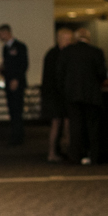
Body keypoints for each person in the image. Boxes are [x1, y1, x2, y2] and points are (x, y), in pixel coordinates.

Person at [57, 28, 108, 165]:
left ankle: (76, 155)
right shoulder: (96, 52)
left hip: (73, 96)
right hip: (92, 96)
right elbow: (102, 74)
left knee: (76, 127)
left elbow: (60, 75)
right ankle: (94, 156)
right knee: (92, 127)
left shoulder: (67, 52)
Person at [42, 28, 75, 162]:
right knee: (58, 124)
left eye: (70, 40)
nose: (68, 42)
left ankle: (64, 151)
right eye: (66, 39)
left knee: (64, 123)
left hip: (58, 95)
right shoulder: (55, 55)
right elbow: (56, 78)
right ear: (59, 39)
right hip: (55, 95)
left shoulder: (56, 53)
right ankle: (53, 152)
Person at [0, 24, 29, 146]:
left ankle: (18, 137)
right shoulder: (5, 48)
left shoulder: (20, 46)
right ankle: (15, 135)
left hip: (17, 83)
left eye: (0, 34)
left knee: (17, 110)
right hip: (8, 82)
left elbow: (23, 64)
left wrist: (16, 79)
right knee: (12, 110)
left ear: (6, 32)